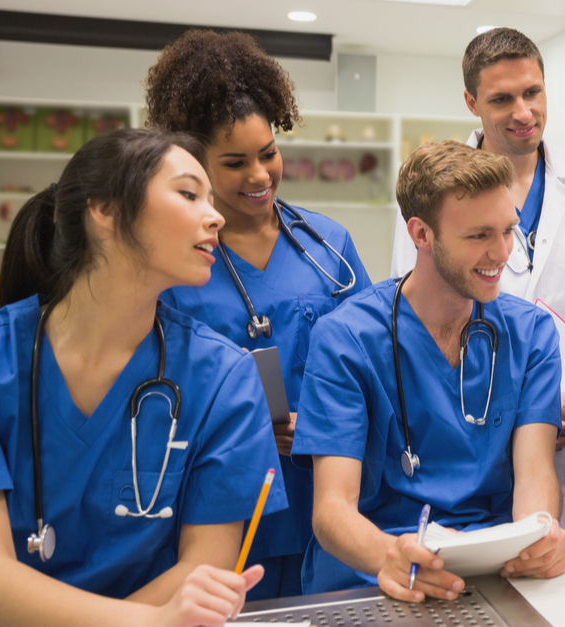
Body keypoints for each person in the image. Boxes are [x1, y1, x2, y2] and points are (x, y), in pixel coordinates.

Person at [0, 129, 286, 626]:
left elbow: (205, 569)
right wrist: (146, 623)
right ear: (105, 211)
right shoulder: (5, 357)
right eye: (190, 194)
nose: (215, 216)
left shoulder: (223, 378)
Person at [145, 29, 372, 599]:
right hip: (224, 499)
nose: (260, 175)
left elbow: (375, 359)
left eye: (269, 152)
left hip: (332, 490)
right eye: (234, 162)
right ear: (194, 163)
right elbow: (153, 386)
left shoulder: (328, 244)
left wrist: (328, 425)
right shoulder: (175, 263)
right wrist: (241, 427)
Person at [293, 141, 565, 598]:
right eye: (479, 236)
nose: (502, 253)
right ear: (421, 234)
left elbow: (536, 473)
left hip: (490, 570)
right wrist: (390, 557)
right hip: (375, 573)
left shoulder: (530, 332)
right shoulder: (346, 338)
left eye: (509, 231)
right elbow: (331, 509)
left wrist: (540, 534)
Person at [390, 28, 565, 541]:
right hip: (467, 423)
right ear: (471, 102)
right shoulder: (435, 191)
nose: (523, 112)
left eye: (533, 93)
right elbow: (415, 310)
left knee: (554, 563)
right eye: (502, 99)